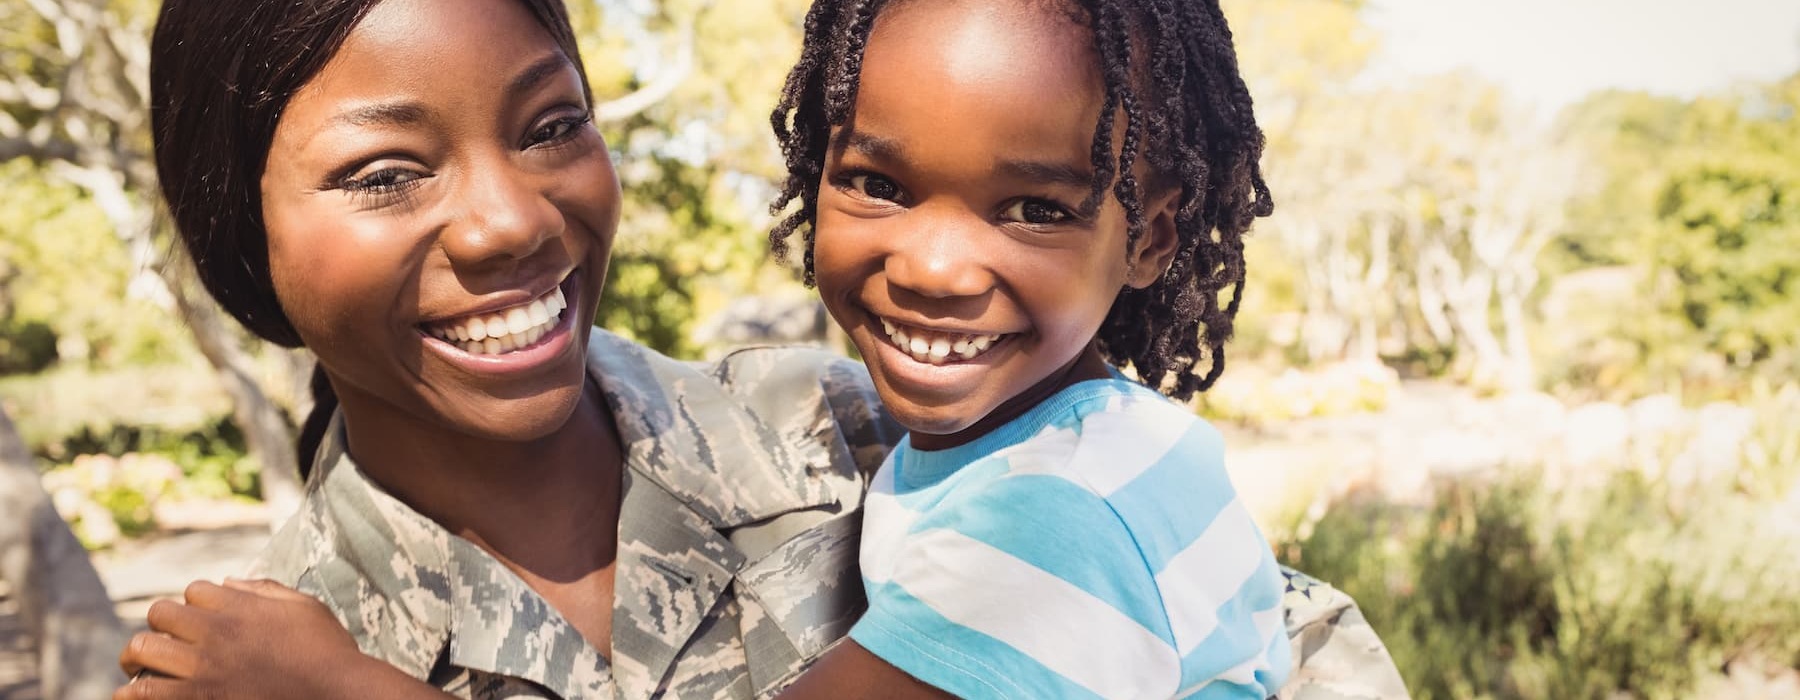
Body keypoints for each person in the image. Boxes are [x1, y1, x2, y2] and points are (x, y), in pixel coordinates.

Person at [118, 0, 1412, 697]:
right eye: (388, 172)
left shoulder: (874, 433)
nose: (512, 217)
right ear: (247, 235)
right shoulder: (246, 670)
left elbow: (1289, 647)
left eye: (551, 123)